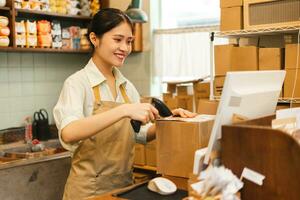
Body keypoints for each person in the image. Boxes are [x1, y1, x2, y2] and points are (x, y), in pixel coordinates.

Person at [53, 8, 196, 200]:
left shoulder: (126, 87)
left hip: (124, 188)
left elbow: (138, 133)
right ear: (95, 39)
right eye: (117, 39)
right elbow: (69, 132)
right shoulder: (77, 83)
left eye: (129, 41)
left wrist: (168, 122)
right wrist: (124, 110)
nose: (125, 48)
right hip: (88, 192)